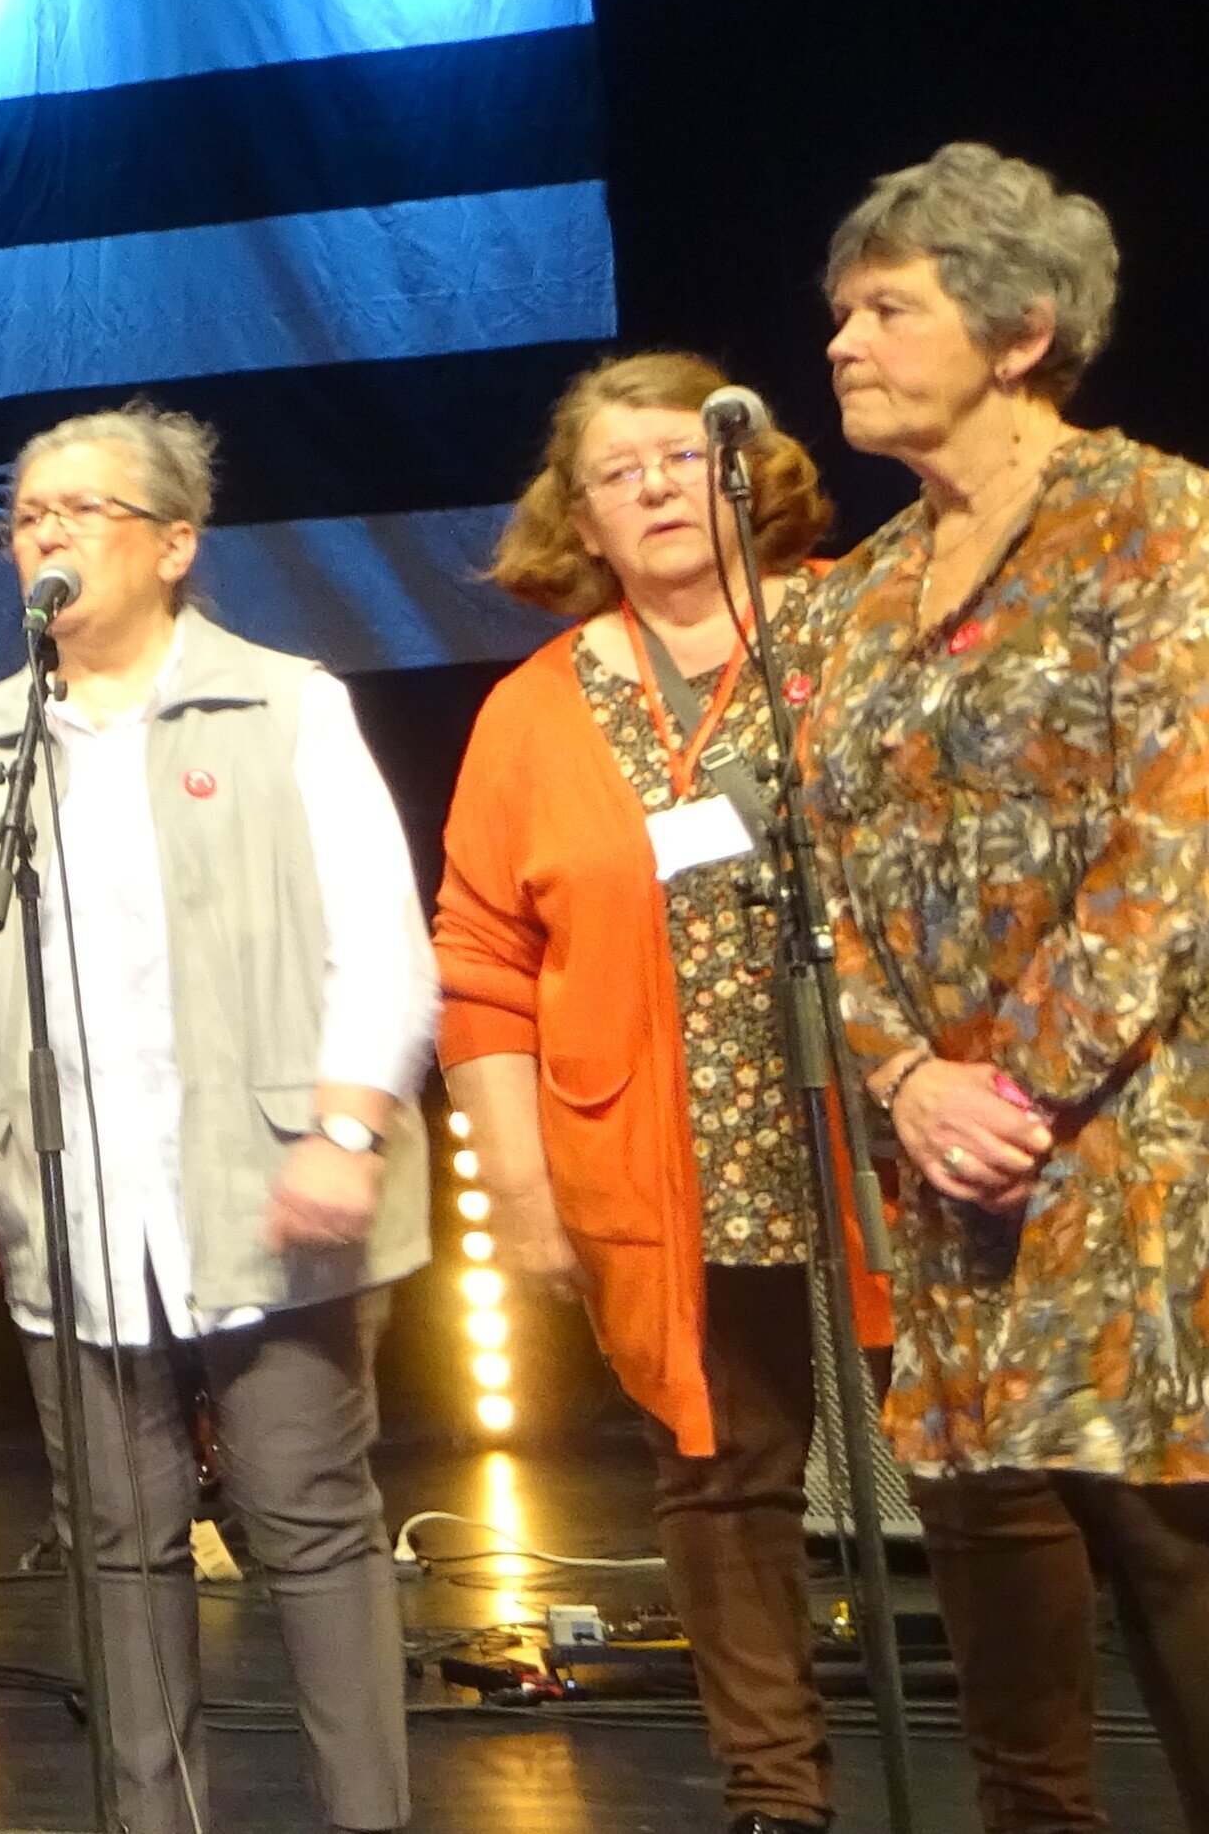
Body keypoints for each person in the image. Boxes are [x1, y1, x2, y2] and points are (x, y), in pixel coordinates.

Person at [790, 142, 1209, 1834]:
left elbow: (1188, 820)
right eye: (839, 314)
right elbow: (820, 873)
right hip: (957, 1128)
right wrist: (901, 1081)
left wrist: (1013, 1083)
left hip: (1162, 1092)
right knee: (1070, 1509)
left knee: (1176, 1519)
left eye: (887, 307)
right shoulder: (859, 594)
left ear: (1015, 331)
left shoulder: (1157, 516)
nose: (842, 344)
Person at [434, 351, 1045, 1834]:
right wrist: (516, 1185)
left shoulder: (869, 629)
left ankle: (1042, 1801)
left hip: (900, 1133)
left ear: (743, 472)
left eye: (677, 456)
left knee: (986, 1477)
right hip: (666, 1152)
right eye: (614, 470)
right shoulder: (534, 708)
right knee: (720, 1480)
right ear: (574, 513)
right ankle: (777, 1798)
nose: (651, 486)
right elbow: (482, 954)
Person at [0, 403, 436, 1834]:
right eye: (25, 514)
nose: (42, 532)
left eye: (80, 510)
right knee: (118, 1547)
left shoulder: (287, 704)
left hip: (262, 1183)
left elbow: (382, 939)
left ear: (176, 543)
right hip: (71, 1204)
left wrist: (347, 1126)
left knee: (309, 1523)